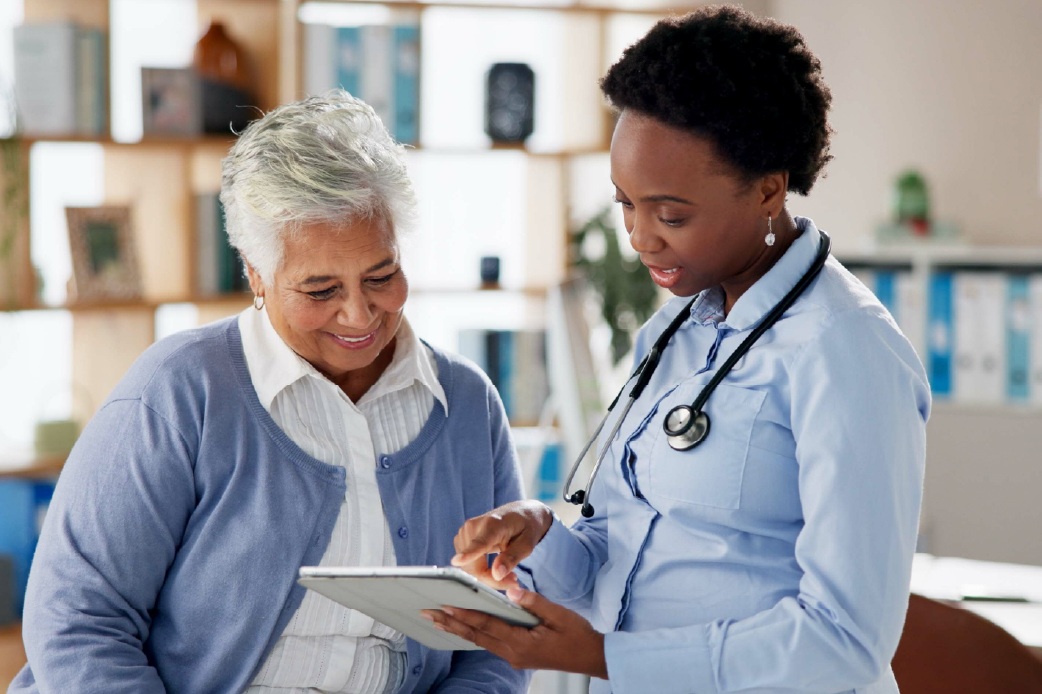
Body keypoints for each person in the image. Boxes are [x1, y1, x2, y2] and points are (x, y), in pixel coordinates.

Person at [426, 6, 930, 693]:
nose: (640, 238)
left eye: (671, 214)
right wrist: (540, 536)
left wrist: (608, 660)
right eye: (624, 205)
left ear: (768, 190)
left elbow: (844, 641)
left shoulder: (845, 350)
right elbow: (623, 556)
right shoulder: (672, 334)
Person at [12, 90, 530, 694]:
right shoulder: (179, 393)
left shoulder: (466, 403)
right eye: (319, 290)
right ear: (256, 274)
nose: (359, 314)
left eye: (381, 276)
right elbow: (76, 621)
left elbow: (498, 640)